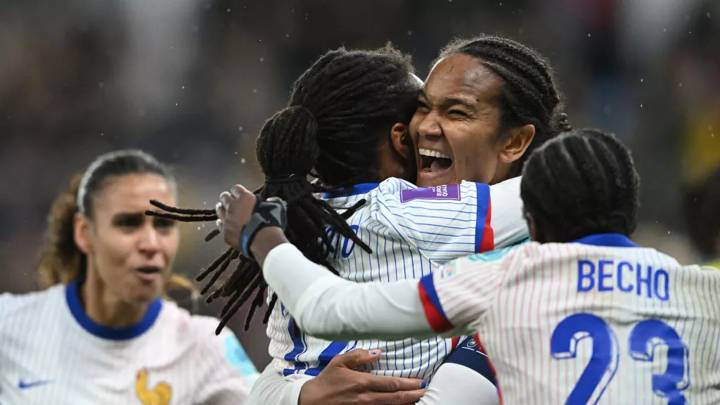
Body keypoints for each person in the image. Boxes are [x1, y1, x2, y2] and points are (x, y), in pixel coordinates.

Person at [220, 128, 720, 403]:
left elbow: (327, 309)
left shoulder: (504, 282)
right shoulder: (706, 293)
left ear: (533, 223)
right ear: (629, 211)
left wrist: (262, 237)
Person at [207, 35, 569, 404]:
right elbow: (272, 379)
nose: (425, 127)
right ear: (398, 139)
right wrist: (301, 396)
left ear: (514, 141)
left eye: (456, 112)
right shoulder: (408, 213)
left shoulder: (551, 259)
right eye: (420, 108)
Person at [0, 150, 258, 404]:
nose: (151, 243)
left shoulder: (204, 348)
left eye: (164, 225)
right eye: (128, 223)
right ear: (84, 233)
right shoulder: (9, 326)